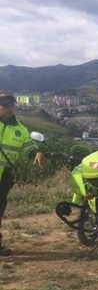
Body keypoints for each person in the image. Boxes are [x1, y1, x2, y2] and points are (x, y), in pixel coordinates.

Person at [0, 92, 45, 257]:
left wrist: (36, 153)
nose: (7, 108)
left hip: (5, 175)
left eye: (9, 105)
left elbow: (27, 145)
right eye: (4, 105)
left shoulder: (19, 128)